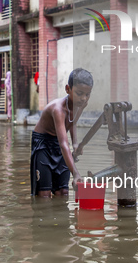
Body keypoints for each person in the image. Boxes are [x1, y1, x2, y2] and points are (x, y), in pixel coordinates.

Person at [30, 68, 93, 198]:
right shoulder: (58, 109)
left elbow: (73, 122)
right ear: (67, 89)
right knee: (44, 194)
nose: (83, 98)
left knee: (63, 192)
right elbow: (63, 144)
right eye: (79, 93)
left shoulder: (82, 104)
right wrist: (75, 173)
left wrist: (75, 143)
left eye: (87, 94)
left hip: (59, 140)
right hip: (43, 143)